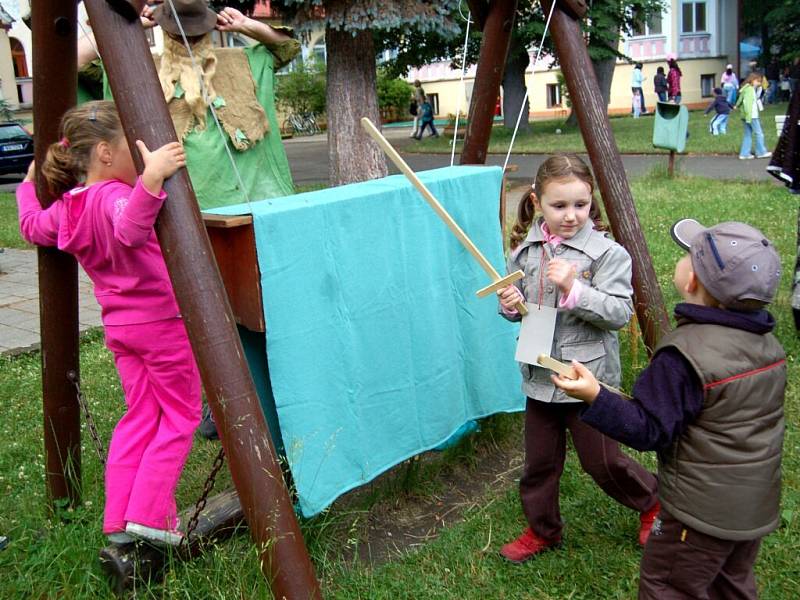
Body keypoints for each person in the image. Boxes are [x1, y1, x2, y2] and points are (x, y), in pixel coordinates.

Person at [552, 218, 785, 600]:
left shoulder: (684, 356)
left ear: (691, 280)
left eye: (687, 256)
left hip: (697, 516)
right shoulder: (768, 348)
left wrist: (596, 394)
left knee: (669, 587)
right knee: (732, 583)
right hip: (752, 508)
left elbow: (648, 428)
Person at [16, 101, 201, 547]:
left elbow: (31, 226)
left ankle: (118, 518)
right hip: (163, 323)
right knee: (181, 414)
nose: (138, 157)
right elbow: (130, 230)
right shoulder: (118, 197)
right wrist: (153, 177)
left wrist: (27, 186)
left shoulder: (68, 208)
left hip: (122, 329)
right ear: (103, 152)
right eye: (129, 149)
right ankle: (151, 515)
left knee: (141, 416)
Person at [495, 154, 659, 563]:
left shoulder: (607, 254)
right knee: (538, 464)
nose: (571, 215)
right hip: (539, 375)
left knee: (602, 462)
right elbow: (519, 306)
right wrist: (511, 304)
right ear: (536, 202)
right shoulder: (524, 252)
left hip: (587, 380)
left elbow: (620, 313)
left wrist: (575, 290)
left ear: (591, 202)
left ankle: (655, 503)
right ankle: (543, 530)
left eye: (580, 205)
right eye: (559, 205)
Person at [78, 1, 300, 211]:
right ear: (165, 31)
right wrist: (127, 25)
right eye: (179, 33)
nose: (187, 40)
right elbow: (76, 61)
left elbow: (287, 47)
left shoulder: (239, 62)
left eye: (196, 34)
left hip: (245, 206)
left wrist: (245, 25)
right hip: (171, 214)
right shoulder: (137, 68)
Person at [735, 72, 772, 160]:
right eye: (758, 81)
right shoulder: (750, 90)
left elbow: (740, 100)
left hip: (745, 116)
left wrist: (736, 105)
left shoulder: (745, 88)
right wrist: (749, 116)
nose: (759, 83)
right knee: (759, 133)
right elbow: (747, 104)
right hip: (752, 116)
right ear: (753, 80)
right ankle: (761, 152)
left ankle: (744, 153)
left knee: (747, 134)